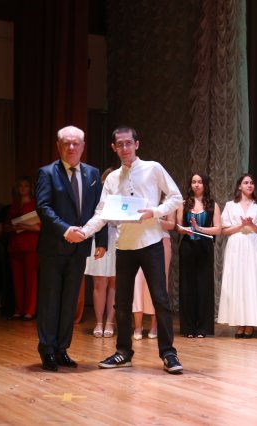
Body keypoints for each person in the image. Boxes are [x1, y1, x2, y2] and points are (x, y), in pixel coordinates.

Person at [75, 126, 184, 374]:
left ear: (137, 144)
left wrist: (154, 211)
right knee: (122, 303)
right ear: (114, 148)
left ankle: (168, 354)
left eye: (128, 143)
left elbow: (176, 197)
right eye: (119, 144)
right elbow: (102, 213)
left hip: (151, 242)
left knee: (160, 299)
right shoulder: (112, 179)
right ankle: (123, 352)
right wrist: (85, 232)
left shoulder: (153, 168)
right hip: (124, 245)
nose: (124, 148)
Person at [35, 125, 107, 372]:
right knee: (50, 301)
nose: (72, 147)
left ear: (83, 146)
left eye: (76, 143)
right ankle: (47, 349)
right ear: (59, 146)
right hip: (54, 248)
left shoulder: (93, 173)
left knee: (69, 303)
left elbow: (100, 209)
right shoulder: (47, 173)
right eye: (66, 143)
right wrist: (66, 230)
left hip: (80, 249)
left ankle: (61, 349)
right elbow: (43, 207)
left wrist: (102, 241)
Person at [216, 173, 257, 338]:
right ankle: (240, 323)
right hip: (236, 246)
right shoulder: (230, 205)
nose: (249, 185)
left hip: (253, 245)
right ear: (239, 186)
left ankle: (250, 323)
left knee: (252, 282)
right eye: (246, 182)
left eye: (252, 183)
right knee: (237, 283)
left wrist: (252, 225)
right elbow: (223, 230)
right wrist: (241, 225)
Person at [176, 173, 220, 338]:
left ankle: (203, 328)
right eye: (193, 182)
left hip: (205, 247)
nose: (196, 185)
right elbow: (178, 227)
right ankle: (189, 328)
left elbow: (218, 229)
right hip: (187, 247)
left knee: (204, 287)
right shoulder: (183, 204)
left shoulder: (213, 205)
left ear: (205, 184)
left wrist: (199, 229)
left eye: (200, 182)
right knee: (187, 287)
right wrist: (187, 229)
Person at [84, 167, 117, 338]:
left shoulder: (122, 194)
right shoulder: (96, 194)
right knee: (99, 281)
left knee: (114, 282)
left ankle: (110, 322)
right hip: (98, 237)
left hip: (118, 236)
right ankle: (98, 322)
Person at [132, 216, 173, 340]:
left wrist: (151, 219)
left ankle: (154, 326)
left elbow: (172, 224)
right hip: (138, 238)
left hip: (161, 239)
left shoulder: (167, 204)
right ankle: (137, 326)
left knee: (158, 283)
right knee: (137, 283)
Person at [7, 176, 41, 320]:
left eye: (26, 186)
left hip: (30, 246)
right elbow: (7, 227)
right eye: (20, 185)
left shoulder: (35, 205)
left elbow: (39, 227)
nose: (22, 188)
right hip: (15, 245)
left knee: (31, 279)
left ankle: (29, 310)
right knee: (17, 280)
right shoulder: (14, 206)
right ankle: (19, 309)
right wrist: (13, 227)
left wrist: (24, 226)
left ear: (30, 188)